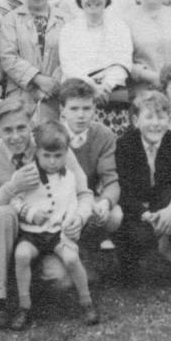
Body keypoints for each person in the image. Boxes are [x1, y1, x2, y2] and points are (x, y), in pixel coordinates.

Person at [0, 96, 92, 329]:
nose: (15, 136)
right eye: (7, 130)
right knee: (4, 213)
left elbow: (84, 193)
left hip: (48, 233)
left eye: (21, 128)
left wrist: (80, 217)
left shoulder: (50, 145)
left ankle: (26, 280)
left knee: (60, 280)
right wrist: (12, 187)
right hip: (5, 233)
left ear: (31, 125)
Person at [8, 121, 99, 330]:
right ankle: (24, 307)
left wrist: (70, 225)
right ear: (37, 152)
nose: (51, 162)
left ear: (66, 153)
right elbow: (14, 200)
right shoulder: (26, 174)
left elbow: (73, 204)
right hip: (32, 233)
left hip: (58, 233)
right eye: (46, 156)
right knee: (21, 255)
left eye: (57, 156)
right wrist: (30, 213)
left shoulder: (69, 176)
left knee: (71, 258)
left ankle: (86, 303)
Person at [114, 91, 171, 288]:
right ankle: (129, 263)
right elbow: (123, 188)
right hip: (137, 205)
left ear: (169, 119)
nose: (155, 123)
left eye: (161, 117)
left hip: (162, 200)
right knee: (135, 232)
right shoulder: (125, 145)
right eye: (149, 117)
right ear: (135, 120)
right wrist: (144, 215)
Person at [57, 0, 133, 133]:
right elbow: (69, 66)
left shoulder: (120, 27)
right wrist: (92, 87)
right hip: (77, 101)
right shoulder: (69, 29)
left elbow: (124, 62)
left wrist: (107, 85)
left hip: (112, 98)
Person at [57, 79, 123, 249]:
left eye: (86, 108)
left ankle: (92, 252)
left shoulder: (103, 134)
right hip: (58, 199)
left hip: (90, 197)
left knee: (115, 215)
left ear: (94, 109)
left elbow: (111, 180)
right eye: (74, 108)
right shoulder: (52, 134)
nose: (81, 115)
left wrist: (105, 202)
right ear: (62, 110)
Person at [0, 0, 68, 121]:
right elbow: (8, 57)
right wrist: (37, 80)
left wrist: (53, 84)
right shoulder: (11, 20)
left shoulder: (66, 20)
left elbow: (71, 56)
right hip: (20, 96)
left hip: (55, 97)